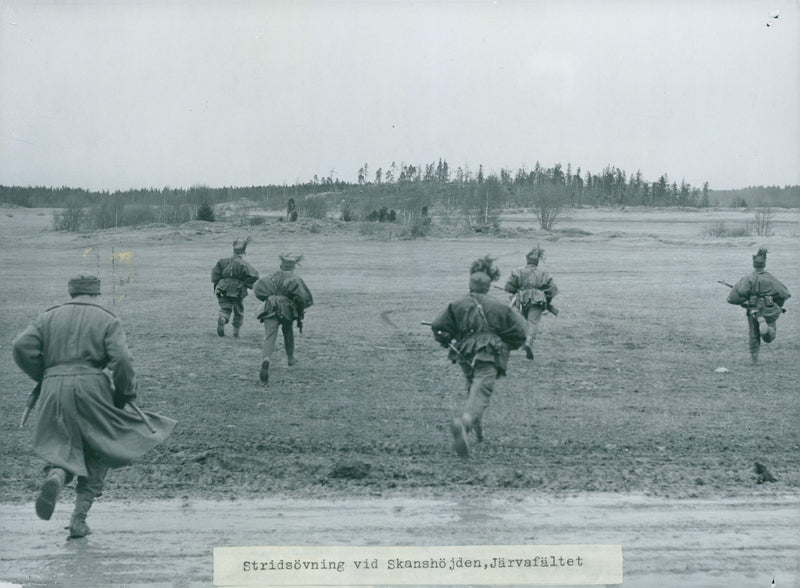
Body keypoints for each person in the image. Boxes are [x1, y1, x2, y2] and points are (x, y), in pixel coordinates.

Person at [11, 276, 176, 539]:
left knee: (63, 442)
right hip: (92, 388)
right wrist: (124, 395)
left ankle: (58, 473)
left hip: (52, 390)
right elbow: (122, 361)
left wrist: (46, 374)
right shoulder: (107, 318)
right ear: (97, 294)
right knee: (101, 447)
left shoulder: (47, 317)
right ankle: (78, 520)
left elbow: (20, 346)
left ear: (71, 293)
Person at [430, 256, 527, 458]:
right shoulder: (501, 307)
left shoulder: (456, 304)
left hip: (464, 352)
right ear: (488, 286)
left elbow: (438, 326)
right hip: (489, 354)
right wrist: (506, 345)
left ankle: (478, 434)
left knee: (473, 387)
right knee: (482, 389)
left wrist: (446, 339)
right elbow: (520, 332)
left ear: (470, 284)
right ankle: (465, 423)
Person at [253, 253, 314, 385]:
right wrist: (299, 308)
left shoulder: (271, 276)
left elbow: (257, 288)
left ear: (281, 266)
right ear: (293, 267)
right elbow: (302, 297)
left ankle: (266, 359)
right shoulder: (295, 278)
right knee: (288, 331)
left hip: (270, 307)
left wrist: (268, 298)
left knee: (269, 336)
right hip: (286, 309)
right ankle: (290, 358)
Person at [503, 244, 559, 360]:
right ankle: (529, 341)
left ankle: (518, 341)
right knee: (532, 322)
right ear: (537, 262)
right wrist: (546, 299)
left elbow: (508, 287)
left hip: (521, 300)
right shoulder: (544, 273)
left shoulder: (517, 271)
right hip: (538, 301)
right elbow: (553, 289)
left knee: (519, 321)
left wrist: (516, 291)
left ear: (527, 260)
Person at [727, 247, 791, 343]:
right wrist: (778, 305)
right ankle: (766, 329)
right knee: (769, 337)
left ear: (754, 264)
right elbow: (784, 294)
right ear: (764, 264)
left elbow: (732, 298)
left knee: (754, 335)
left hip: (753, 308)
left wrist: (744, 301)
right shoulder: (771, 278)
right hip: (769, 308)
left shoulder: (747, 278)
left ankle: (759, 321)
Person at [211, 238, 260, 338]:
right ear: (243, 252)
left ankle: (223, 318)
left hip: (222, 288)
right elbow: (254, 276)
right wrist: (245, 284)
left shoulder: (222, 261)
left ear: (233, 250)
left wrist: (218, 284)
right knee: (238, 310)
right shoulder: (244, 264)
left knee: (225, 307)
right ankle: (236, 333)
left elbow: (215, 275)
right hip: (237, 290)